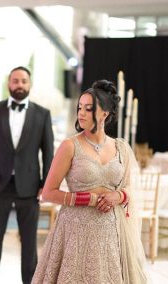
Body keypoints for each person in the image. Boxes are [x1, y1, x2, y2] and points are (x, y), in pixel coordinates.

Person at [32, 79, 149, 283]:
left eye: (88, 108)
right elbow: (49, 192)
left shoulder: (121, 148)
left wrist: (118, 195)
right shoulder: (69, 146)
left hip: (111, 234)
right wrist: (88, 199)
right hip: (75, 234)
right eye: (80, 108)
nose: (81, 113)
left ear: (104, 113)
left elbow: (131, 187)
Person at [0, 66, 54, 284]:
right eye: (16, 81)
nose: (20, 85)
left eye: (24, 81)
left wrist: (44, 185)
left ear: (30, 85)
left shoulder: (42, 115)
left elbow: (49, 153)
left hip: (29, 189)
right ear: (9, 84)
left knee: (29, 247)